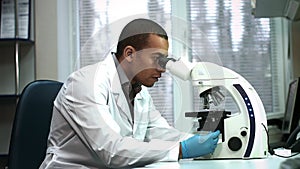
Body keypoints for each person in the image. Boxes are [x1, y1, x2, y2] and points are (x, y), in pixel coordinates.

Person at [39, 18, 220, 169]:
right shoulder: (85, 83)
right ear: (130, 53)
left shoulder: (139, 91)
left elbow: (159, 132)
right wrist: (183, 149)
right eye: (157, 59)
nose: (162, 68)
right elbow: (111, 150)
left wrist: (202, 142)